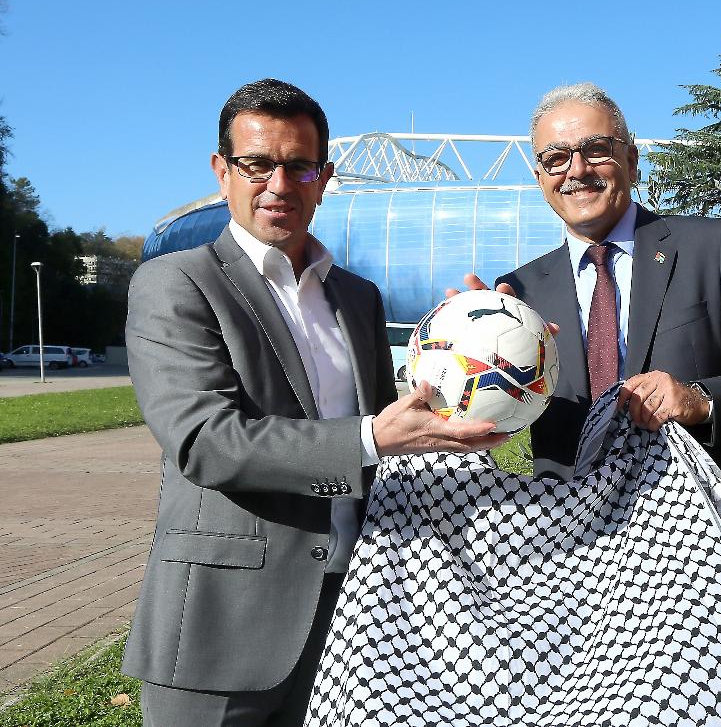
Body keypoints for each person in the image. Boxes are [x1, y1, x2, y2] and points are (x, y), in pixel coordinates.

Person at [122, 78, 504, 727]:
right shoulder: (177, 283)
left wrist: (491, 364)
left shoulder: (357, 298)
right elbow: (207, 443)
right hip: (223, 627)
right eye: (257, 164)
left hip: (354, 622)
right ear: (222, 172)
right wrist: (370, 439)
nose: (279, 184)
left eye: (298, 165)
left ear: (324, 177)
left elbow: (403, 434)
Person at [493, 83, 721, 603]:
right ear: (539, 177)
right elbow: (499, 421)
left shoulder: (707, 248)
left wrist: (700, 399)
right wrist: (466, 353)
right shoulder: (519, 294)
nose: (576, 170)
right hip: (571, 559)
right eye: (556, 158)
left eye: (596, 149)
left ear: (632, 159)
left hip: (705, 553)